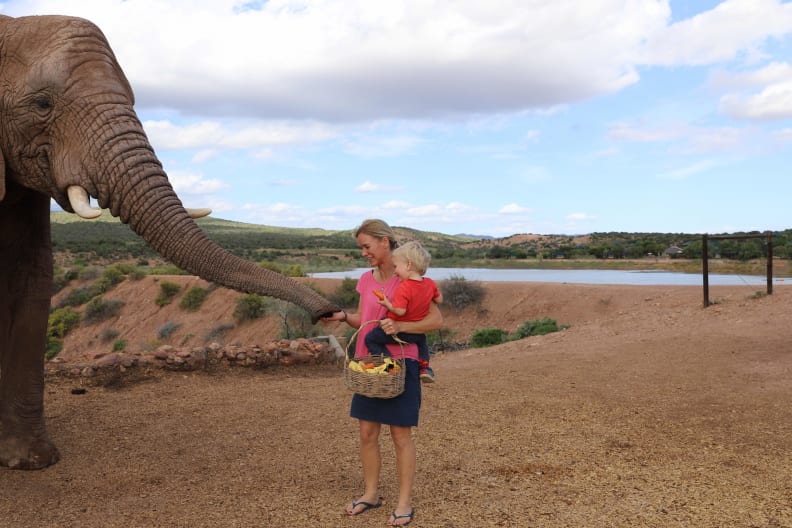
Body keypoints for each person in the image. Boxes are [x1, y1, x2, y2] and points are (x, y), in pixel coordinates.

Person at [322, 219, 443, 527]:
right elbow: (364, 318)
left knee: (400, 435)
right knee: (367, 433)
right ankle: (371, 494)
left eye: (367, 246)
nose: (364, 253)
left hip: (402, 364)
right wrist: (343, 316)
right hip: (368, 363)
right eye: (361, 247)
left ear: (384, 242)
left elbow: (436, 320)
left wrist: (401, 325)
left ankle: (404, 504)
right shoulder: (365, 279)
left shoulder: (410, 279)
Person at [364, 240, 443, 383]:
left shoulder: (404, 287)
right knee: (422, 341)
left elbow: (400, 311)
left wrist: (387, 303)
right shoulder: (430, 283)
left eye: (396, 267)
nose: (395, 271)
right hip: (416, 333)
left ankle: (389, 366)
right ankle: (425, 368)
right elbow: (439, 300)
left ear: (408, 265)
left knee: (370, 339)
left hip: (398, 330)